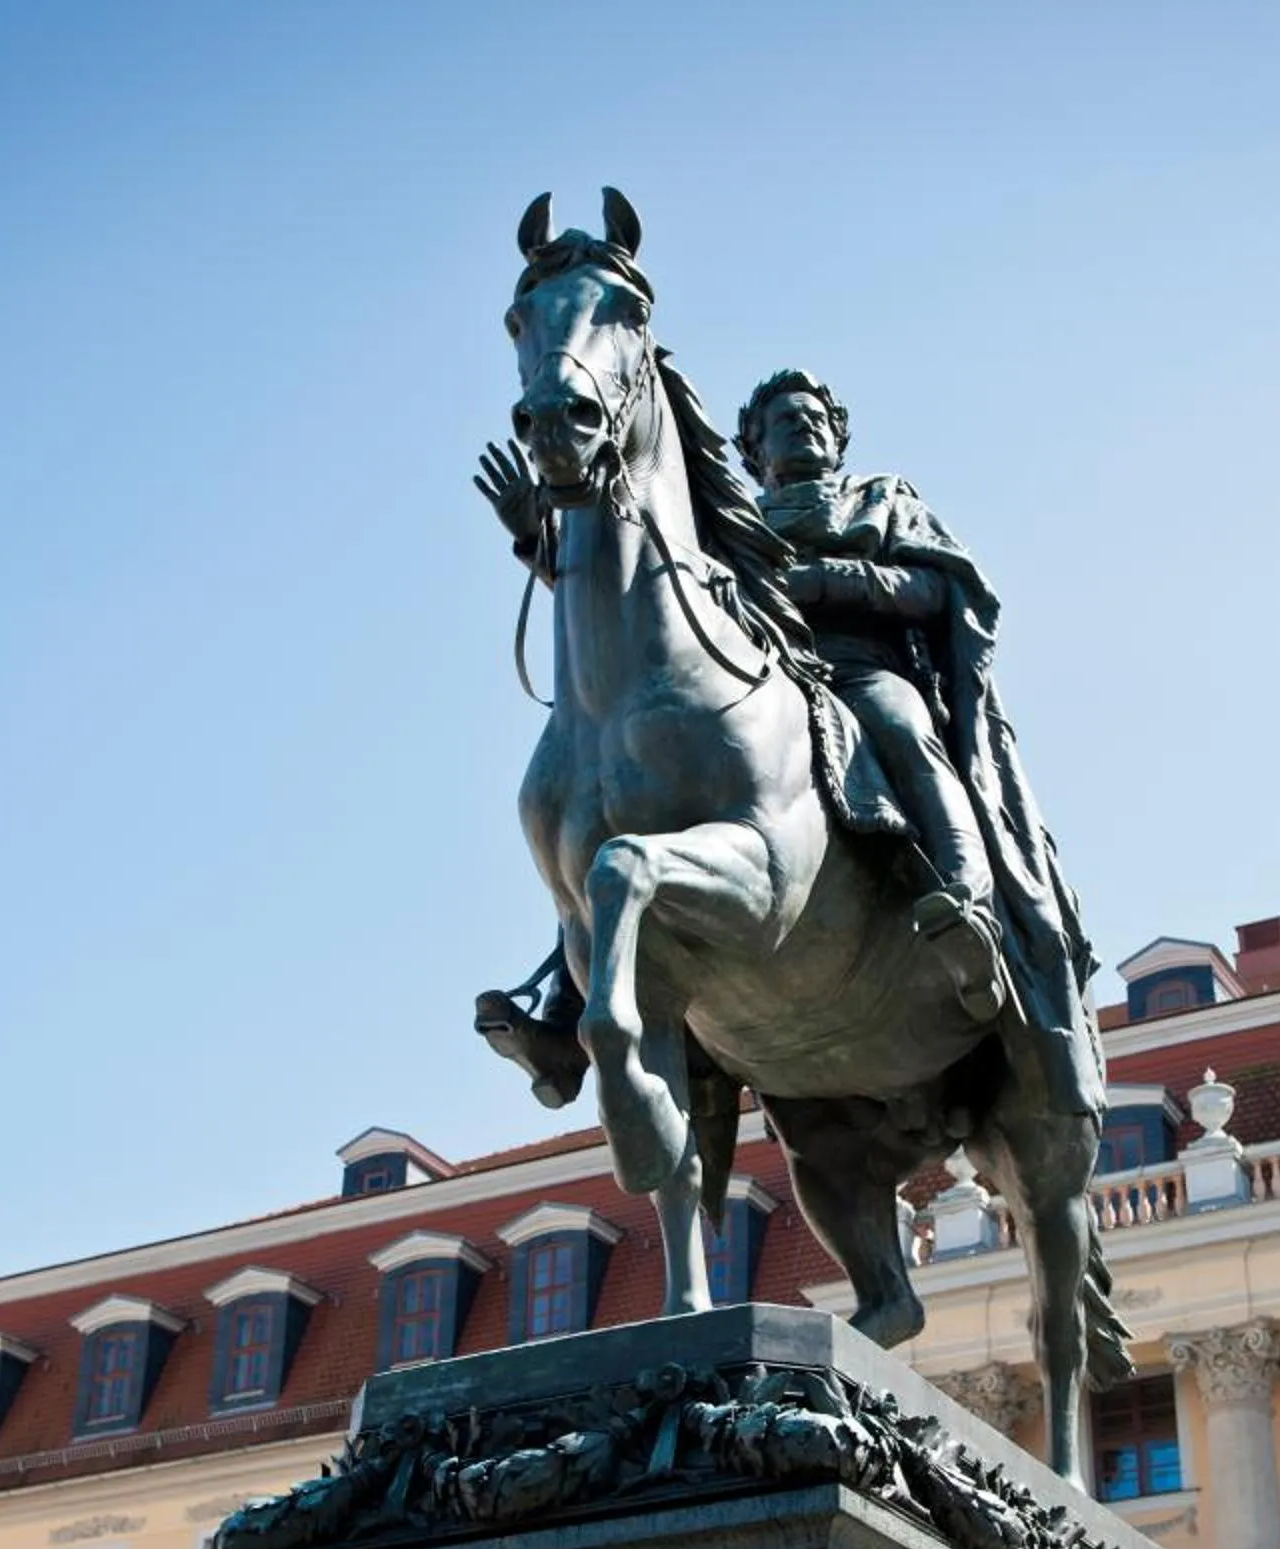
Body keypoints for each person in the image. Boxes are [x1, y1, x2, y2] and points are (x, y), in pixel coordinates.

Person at [470, 370, 1104, 1119]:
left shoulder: (879, 498)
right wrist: (535, 538)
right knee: (618, 798)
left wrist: (830, 580)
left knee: (902, 725)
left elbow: (941, 590)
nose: (802, 427)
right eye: (781, 421)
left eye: (814, 418)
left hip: (857, 669)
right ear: (754, 450)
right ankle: (564, 1011)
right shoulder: (723, 523)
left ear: (837, 438)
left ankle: (966, 901)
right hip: (751, 683)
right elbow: (638, 599)